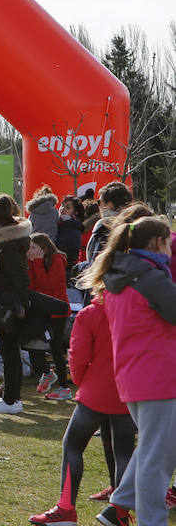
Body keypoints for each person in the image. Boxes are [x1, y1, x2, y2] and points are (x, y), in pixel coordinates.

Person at [79, 216, 176, 526]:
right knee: (155, 459)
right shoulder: (150, 278)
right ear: (160, 243)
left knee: (153, 447)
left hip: (136, 376)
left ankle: (119, 503)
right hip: (159, 377)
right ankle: (151, 520)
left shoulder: (121, 275)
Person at [27, 296, 136, 526]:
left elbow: (77, 357)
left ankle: (66, 508)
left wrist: (81, 380)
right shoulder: (139, 309)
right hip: (128, 389)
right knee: (124, 451)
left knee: (73, 444)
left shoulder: (91, 313)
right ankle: (119, 511)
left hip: (96, 389)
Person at [0, 193, 32, 415]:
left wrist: (20, 303)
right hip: (10, 298)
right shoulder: (11, 236)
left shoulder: (5, 240)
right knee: (9, 351)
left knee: (9, 351)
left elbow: (17, 274)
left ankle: (11, 399)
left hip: (9, 300)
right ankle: (11, 398)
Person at [27, 233, 72, 400]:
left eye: (33, 248)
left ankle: (64, 388)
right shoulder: (33, 262)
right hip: (40, 311)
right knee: (32, 345)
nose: (30, 251)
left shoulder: (57, 260)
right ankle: (47, 373)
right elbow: (32, 286)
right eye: (29, 248)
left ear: (44, 249)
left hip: (56, 312)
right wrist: (32, 264)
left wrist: (36, 263)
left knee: (55, 348)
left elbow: (48, 285)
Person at [55, 195, 85, 267]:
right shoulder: (60, 223)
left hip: (65, 268)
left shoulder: (72, 227)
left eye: (67, 207)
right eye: (62, 205)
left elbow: (60, 248)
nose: (62, 209)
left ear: (76, 212)